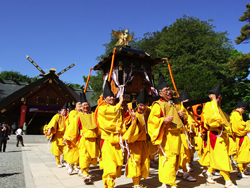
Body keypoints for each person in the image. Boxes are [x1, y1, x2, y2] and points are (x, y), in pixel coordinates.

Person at [148, 74, 185, 188]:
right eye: (166, 90)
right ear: (160, 93)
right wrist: (163, 120)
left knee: (176, 159)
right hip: (167, 136)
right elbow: (152, 120)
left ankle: (167, 181)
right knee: (169, 158)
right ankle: (170, 182)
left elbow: (185, 115)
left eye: (169, 89)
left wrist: (182, 115)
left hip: (177, 135)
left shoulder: (177, 103)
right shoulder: (158, 105)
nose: (169, 92)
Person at [201, 84, 237, 188]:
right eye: (219, 97)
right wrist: (214, 102)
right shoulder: (209, 105)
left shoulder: (218, 108)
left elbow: (226, 122)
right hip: (215, 136)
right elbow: (215, 121)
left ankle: (208, 173)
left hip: (222, 136)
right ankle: (227, 181)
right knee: (222, 157)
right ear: (218, 97)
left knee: (217, 157)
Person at [96, 80, 124, 188]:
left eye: (113, 96)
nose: (112, 98)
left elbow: (119, 119)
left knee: (117, 163)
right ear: (104, 98)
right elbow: (109, 117)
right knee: (109, 163)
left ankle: (110, 182)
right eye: (109, 97)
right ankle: (109, 185)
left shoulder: (116, 108)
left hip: (116, 140)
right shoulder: (102, 108)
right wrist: (119, 104)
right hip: (107, 140)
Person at [122, 88, 150, 188]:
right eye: (141, 105)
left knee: (143, 162)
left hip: (143, 142)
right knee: (135, 161)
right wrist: (134, 118)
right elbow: (126, 126)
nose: (144, 107)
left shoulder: (148, 113)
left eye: (146, 104)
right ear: (137, 105)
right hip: (134, 142)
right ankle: (136, 183)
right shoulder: (131, 113)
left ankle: (139, 181)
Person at [230, 101, 250, 178]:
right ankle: (240, 171)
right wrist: (247, 126)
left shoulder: (238, 114)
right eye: (244, 110)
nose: (244, 112)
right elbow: (239, 127)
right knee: (241, 155)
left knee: (245, 154)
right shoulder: (235, 114)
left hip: (243, 138)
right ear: (242, 108)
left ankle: (244, 169)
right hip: (240, 138)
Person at [46, 103, 68, 167]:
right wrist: (50, 129)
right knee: (57, 149)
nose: (64, 112)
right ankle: (58, 162)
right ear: (61, 111)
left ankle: (64, 161)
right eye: (63, 110)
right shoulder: (57, 116)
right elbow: (52, 122)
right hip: (57, 135)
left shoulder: (67, 117)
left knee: (65, 149)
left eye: (65, 111)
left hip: (64, 135)